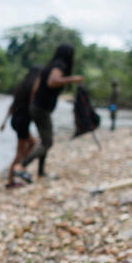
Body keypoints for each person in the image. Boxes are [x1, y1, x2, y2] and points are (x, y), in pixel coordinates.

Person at [21, 44, 85, 179]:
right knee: (47, 142)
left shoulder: (49, 66)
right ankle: (21, 166)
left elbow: (36, 87)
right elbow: (52, 82)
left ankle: (40, 172)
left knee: (44, 140)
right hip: (42, 108)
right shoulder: (60, 66)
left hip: (36, 107)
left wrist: (33, 104)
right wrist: (74, 79)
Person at [0, 65, 42, 188]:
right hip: (22, 122)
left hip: (16, 120)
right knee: (19, 152)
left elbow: (12, 106)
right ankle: (10, 179)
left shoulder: (21, 87)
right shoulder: (33, 88)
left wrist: (4, 122)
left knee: (32, 142)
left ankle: (21, 167)